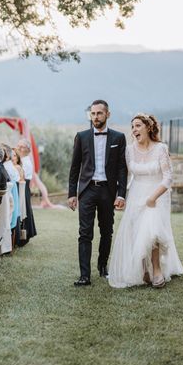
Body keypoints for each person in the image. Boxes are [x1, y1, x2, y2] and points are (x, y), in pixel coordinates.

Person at [108, 114, 183, 288]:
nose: (134, 129)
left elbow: (168, 178)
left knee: (152, 230)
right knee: (137, 231)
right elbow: (125, 175)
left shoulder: (160, 149)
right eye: (132, 126)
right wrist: (120, 196)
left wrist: (153, 197)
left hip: (157, 195)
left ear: (148, 127)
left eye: (137, 125)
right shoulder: (129, 150)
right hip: (136, 193)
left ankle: (157, 270)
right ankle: (144, 270)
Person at [68, 100, 127, 286]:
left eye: (99, 113)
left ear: (107, 114)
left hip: (108, 191)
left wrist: (121, 194)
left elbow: (121, 169)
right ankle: (84, 275)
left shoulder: (118, 138)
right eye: (93, 114)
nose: (95, 117)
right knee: (85, 233)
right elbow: (74, 167)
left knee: (106, 231)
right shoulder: (82, 136)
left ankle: (102, 267)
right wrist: (72, 193)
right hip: (87, 190)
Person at [17, 137, 38, 246]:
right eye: (18, 146)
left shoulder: (26, 162)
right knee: (25, 210)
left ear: (28, 150)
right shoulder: (22, 160)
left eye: (22, 146)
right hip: (22, 186)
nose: (19, 148)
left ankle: (24, 236)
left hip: (24, 186)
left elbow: (22, 177)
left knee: (24, 210)